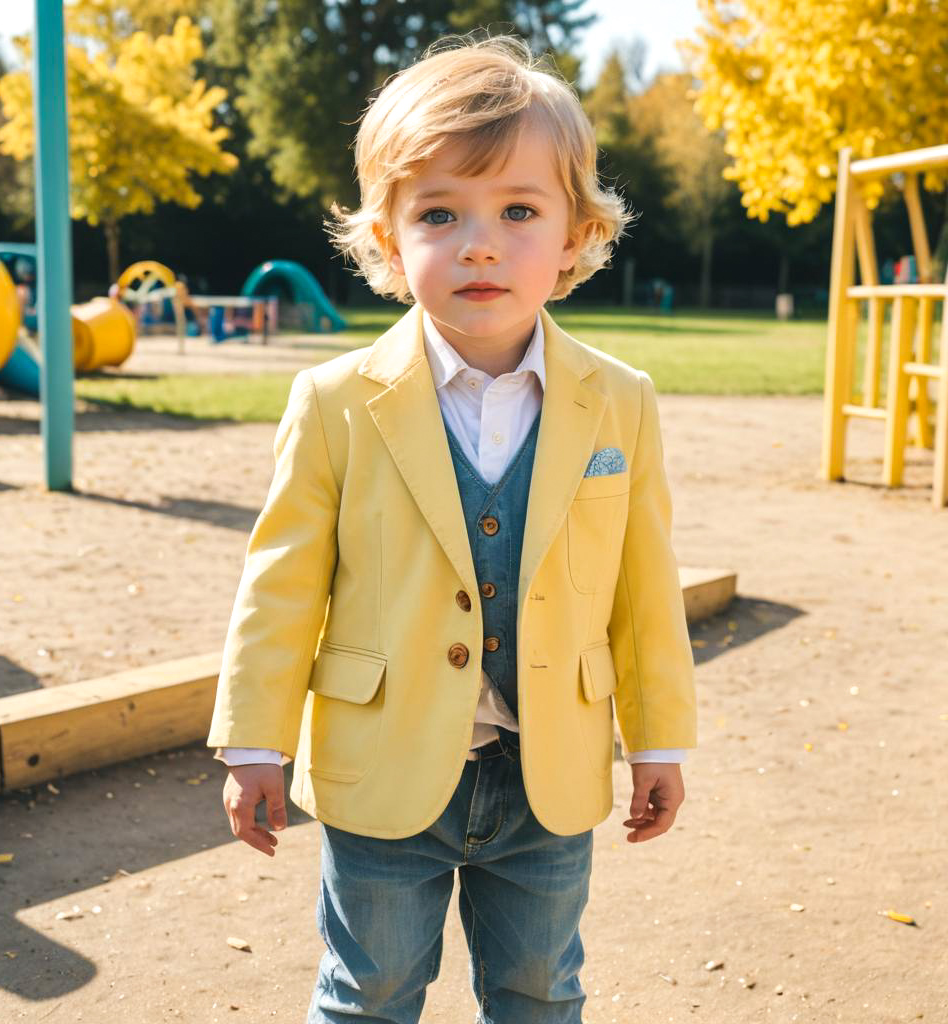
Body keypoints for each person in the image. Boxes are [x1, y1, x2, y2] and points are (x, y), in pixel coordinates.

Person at [207, 32, 697, 1024]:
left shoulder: (620, 403)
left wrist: (658, 741)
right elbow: (283, 581)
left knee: (539, 990)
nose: (479, 242)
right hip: (382, 769)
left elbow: (643, 589)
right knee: (369, 991)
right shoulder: (335, 399)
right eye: (439, 213)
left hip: (547, 775)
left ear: (572, 237)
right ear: (389, 242)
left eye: (518, 210)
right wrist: (253, 741)